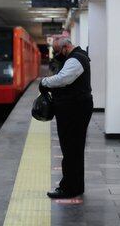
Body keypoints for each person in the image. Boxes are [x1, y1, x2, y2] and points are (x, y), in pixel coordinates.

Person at [39, 37, 93, 199]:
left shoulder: (76, 59)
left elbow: (63, 79)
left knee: (70, 149)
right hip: (75, 108)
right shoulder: (77, 57)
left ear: (65, 47)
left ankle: (68, 188)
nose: (56, 54)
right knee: (74, 149)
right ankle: (76, 186)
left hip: (74, 110)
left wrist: (44, 82)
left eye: (57, 50)